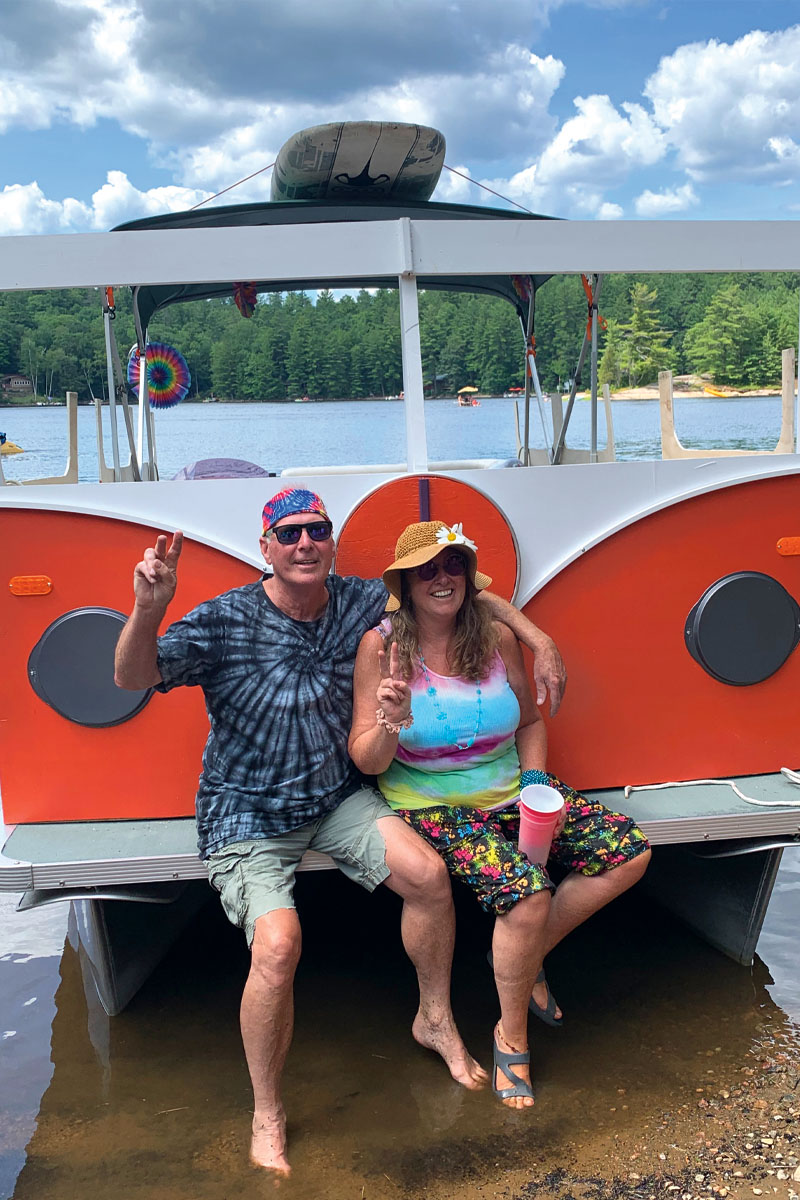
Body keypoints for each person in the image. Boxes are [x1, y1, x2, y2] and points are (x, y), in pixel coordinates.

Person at [114, 488, 567, 1174]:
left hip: (335, 800)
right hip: (247, 811)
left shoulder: (359, 602)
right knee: (278, 946)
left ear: (329, 541)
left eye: (316, 531)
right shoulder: (225, 619)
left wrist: (538, 638)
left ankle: (434, 1019)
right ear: (265, 546)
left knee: (427, 875)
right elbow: (130, 676)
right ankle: (268, 1111)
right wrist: (150, 607)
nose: (304, 544)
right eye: (289, 533)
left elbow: (467, 596)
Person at [348, 519, 651, 1109]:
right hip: (431, 805)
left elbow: (532, 723)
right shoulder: (381, 648)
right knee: (527, 895)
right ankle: (512, 1036)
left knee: (628, 850)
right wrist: (391, 721)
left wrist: (536, 782)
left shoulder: (494, 637)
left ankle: (523, 954)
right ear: (406, 584)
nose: (442, 578)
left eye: (453, 565)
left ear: (468, 575)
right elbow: (365, 759)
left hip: (513, 792)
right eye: (427, 570)